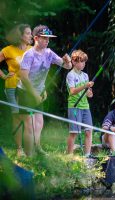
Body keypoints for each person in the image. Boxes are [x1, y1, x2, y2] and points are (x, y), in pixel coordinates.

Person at [17, 25, 72, 156]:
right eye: (44, 38)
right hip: (25, 92)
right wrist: (34, 94)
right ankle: (29, 154)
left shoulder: (49, 52)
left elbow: (66, 66)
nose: (47, 41)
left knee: (39, 123)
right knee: (29, 124)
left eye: (48, 38)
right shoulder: (29, 55)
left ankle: (37, 148)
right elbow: (23, 77)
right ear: (36, 38)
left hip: (39, 92)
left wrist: (68, 62)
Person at [0, 24, 32, 156]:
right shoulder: (8, 50)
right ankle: (19, 149)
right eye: (28, 33)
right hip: (12, 87)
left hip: (28, 88)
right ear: (20, 36)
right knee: (17, 117)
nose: (30, 36)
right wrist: (3, 75)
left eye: (31, 33)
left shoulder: (32, 50)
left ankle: (31, 148)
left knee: (29, 117)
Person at [66, 49, 94, 157]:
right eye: (81, 61)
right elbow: (72, 91)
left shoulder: (85, 75)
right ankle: (69, 155)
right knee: (74, 132)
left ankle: (87, 155)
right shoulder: (70, 75)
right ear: (73, 62)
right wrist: (85, 86)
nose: (83, 64)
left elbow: (87, 92)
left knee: (88, 131)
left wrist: (89, 93)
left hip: (85, 106)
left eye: (84, 62)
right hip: (74, 106)